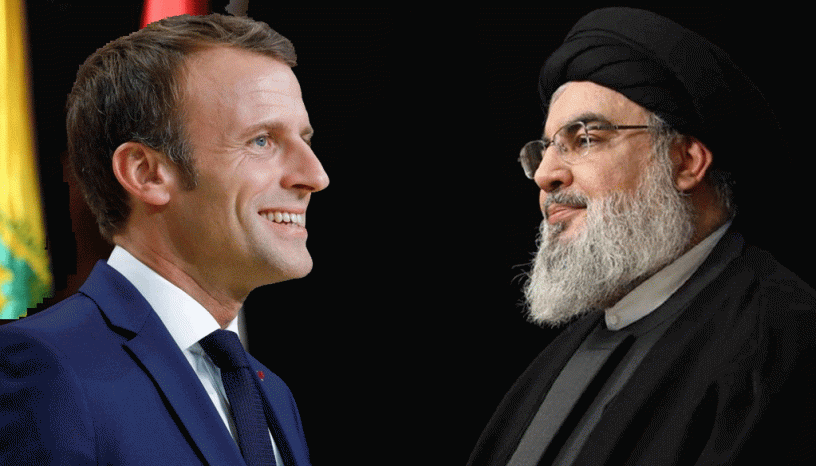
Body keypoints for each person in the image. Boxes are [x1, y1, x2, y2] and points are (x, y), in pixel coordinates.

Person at [469, 8, 816, 466]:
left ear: (686, 162)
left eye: (585, 139)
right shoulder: (568, 353)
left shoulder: (782, 340)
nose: (546, 175)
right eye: (546, 149)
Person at [0, 13, 327, 466]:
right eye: (261, 141)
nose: (315, 176)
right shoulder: (45, 366)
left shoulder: (272, 394)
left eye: (305, 140)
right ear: (146, 173)